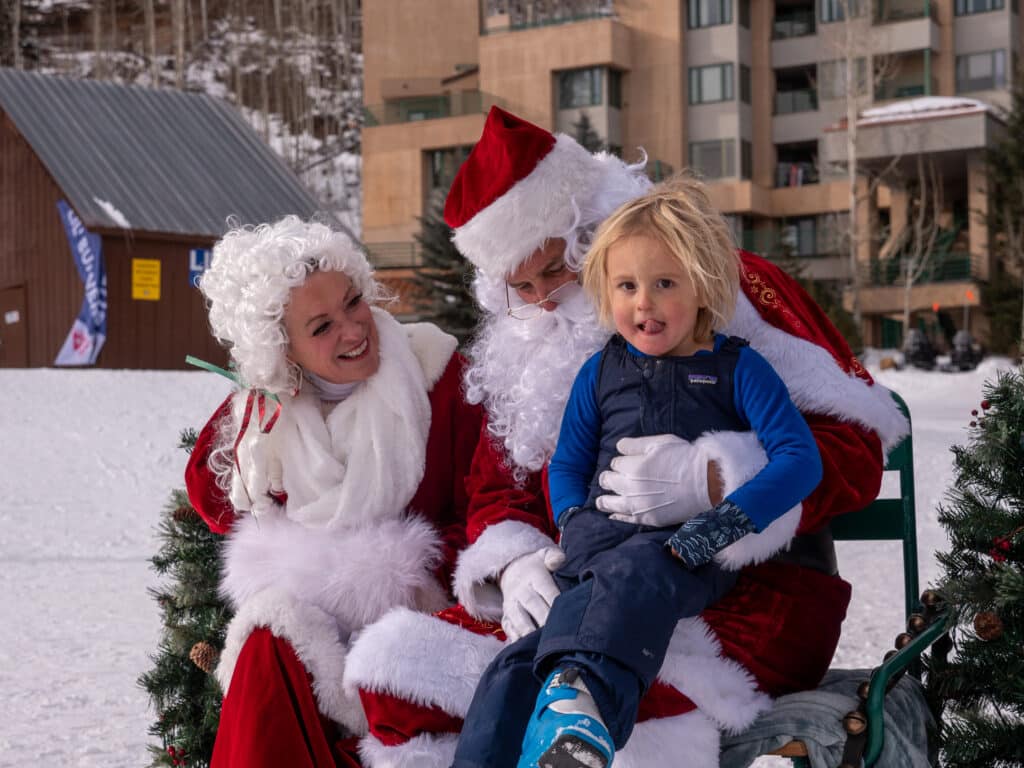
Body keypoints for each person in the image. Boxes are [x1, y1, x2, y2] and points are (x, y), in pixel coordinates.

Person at [343, 107, 909, 768]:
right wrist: (518, 561)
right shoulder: (538, 348)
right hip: (587, 578)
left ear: (593, 238)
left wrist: (713, 479)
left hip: (745, 588)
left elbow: (851, 450)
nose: (542, 302)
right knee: (398, 676)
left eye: (554, 271)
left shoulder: (729, 294)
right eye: (518, 288)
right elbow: (502, 487)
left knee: (614, 691)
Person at [448, 176, 825, 768]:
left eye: (664, 284)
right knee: (519, 656)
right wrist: (572, 520)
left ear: (702, 287)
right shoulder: (598, 372)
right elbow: (569, 461)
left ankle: (582, 723)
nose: (643, 302)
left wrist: (722, 519)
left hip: (682, 550)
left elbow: (800, 459)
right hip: (596, 543)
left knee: (634, 574)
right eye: (626, 286)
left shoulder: (738, 369)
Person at [182, 216, 481, 767]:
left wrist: (401, 582)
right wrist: (258, 398)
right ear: (284, 351)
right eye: (321, 327)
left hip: (420, 628)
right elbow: (213, 495)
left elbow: (480, 512)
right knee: (269, 644)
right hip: (314, 643)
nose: (353, 329)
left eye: (353, 302)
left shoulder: (438, 377)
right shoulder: (269, 421)